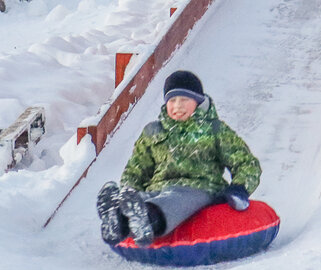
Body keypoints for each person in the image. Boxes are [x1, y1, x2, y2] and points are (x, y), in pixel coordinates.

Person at [95, 70, 262, 247]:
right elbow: (136, 169)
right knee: (146, 196)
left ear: (198, 102)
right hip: (158, 187)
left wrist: (239, 188)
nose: (177, 106)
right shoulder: (153, 131)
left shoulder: (214, 130)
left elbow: (246, 163)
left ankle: (149, 219)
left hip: (199, 189)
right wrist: (129, 190)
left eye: (184, 100)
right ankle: (118, 219)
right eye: (172, 101)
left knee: (176, 199)